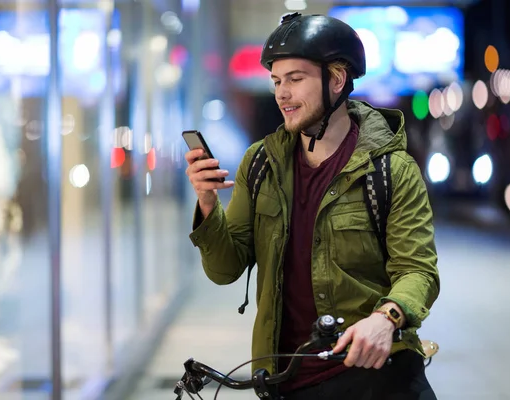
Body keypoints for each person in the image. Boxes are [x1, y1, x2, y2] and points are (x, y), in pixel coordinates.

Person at [185, 12, 440, 400]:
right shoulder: (260, 164)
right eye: (276, 81)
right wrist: (207, 203)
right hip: (285, 381)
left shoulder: (391, 169)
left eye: (295, 79)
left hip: (375, 375)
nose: (282, 94)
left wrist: (386, 318)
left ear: (336, 80)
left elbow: (418, 271)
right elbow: (224, 269)